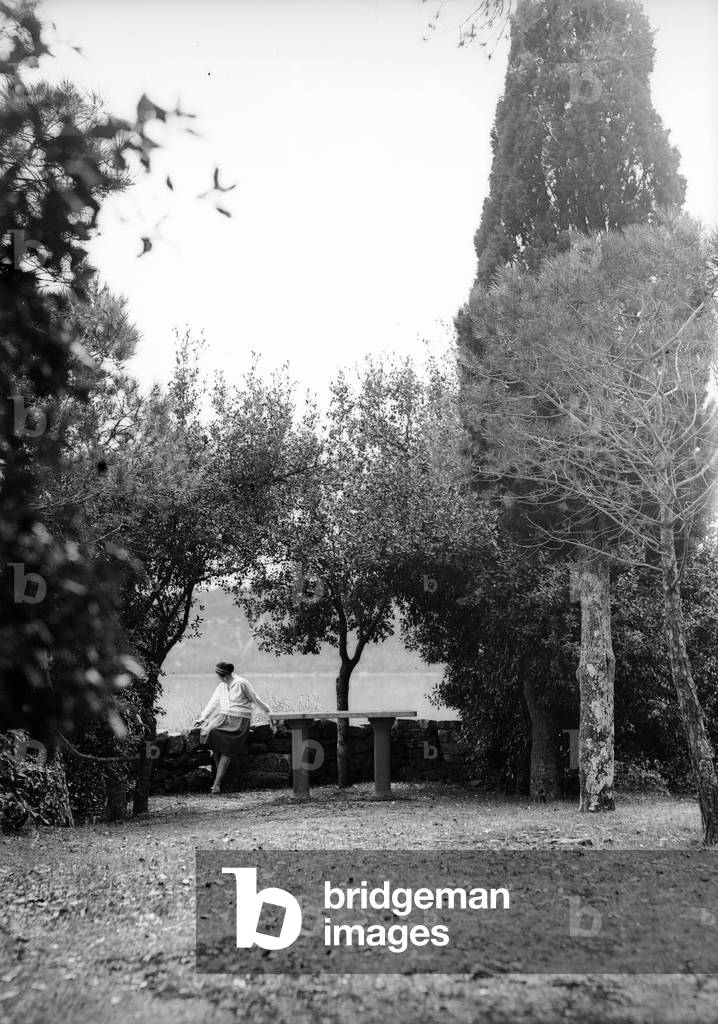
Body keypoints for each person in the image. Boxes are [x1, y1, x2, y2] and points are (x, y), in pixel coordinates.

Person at [194, 661, 273, 795]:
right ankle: (222, 777)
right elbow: (213, 702)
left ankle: (217, 784)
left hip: (239, 720)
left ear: (223, 674)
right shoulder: (221, 686)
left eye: (218, 674)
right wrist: (202, 718)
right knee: (211, 733)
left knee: (227, 750)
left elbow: (254, 698)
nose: (217, 677)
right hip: (223, 718)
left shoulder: (242, 683)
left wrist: (268, 711)